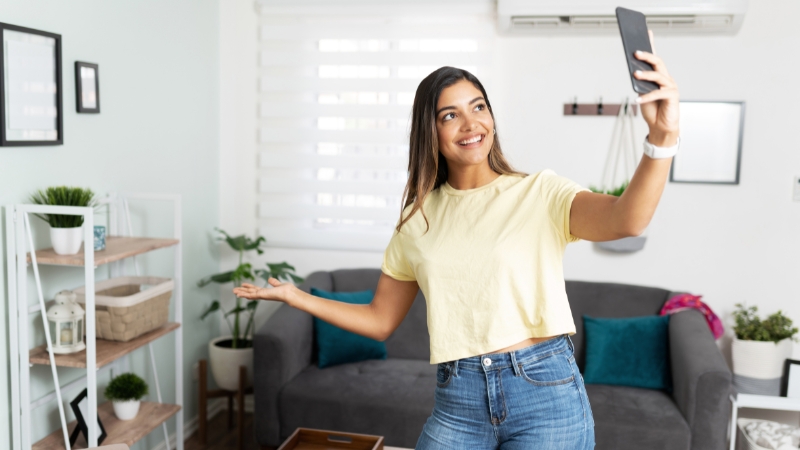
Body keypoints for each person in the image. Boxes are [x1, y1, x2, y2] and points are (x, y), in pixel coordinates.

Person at [233, 32, 679, 450]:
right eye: (450, 114)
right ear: (431, 131)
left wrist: (661, 140)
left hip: (545, 391)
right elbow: (380, 319)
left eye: (478, 106)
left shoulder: (539, 192)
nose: (471, 123)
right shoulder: (417, 220)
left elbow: (628, 219)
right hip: (457, 398)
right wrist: (297, 297)